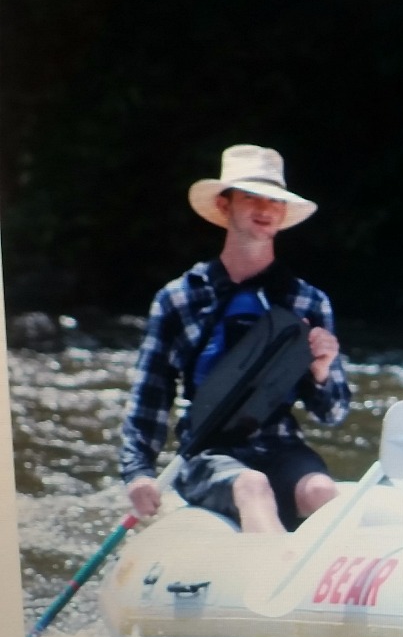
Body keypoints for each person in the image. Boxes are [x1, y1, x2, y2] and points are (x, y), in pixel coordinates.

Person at [120, 144, 350, 533]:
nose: (265, 209)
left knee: (322, 492)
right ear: (225, 207)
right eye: (250, 197)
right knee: (252, 485)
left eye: (274, 200)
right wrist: (139, 473)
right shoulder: (178, 299)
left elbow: (333, 414)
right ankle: (275, 581)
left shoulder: (307, 301)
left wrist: (322, 371)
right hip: (207, 454)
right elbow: (150, 396)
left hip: (280, 447)